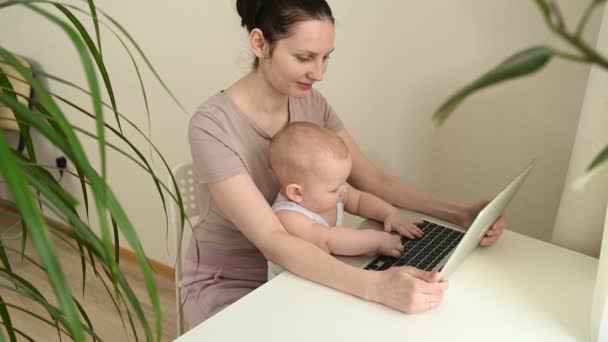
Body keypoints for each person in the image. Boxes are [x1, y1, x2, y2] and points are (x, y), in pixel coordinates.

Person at [182, 0, 506, 327]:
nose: (319, 73)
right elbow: (273, 239)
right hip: (234, 284)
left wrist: (461, 214)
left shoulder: (311, 102)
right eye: (304, 57)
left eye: (326, 57)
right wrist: (376, 286)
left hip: (305, 270)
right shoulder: (213, 126)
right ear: (260, 43)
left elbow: (374, 181)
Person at [266, 122, 424, 280]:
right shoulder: (287, 216)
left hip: (327, 274)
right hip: (292, 289)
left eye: (343, 182)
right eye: (334, 188)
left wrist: (389, 213)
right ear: (296, 192)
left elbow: (360, 200)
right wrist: (375, 241)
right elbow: (329, 240)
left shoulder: (327, 192)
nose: (343, 190)